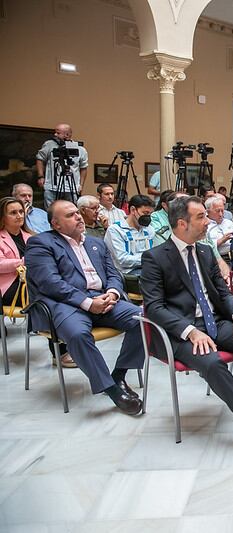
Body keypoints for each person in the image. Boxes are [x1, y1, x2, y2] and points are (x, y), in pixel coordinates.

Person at [140, 196, 233, 450]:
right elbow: (154, 308)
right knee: (211, 362)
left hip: (215, 322)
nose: (208, 221)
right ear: (181, 223)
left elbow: (222, 292)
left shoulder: (204, 251)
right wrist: (189, 332)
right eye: (200, 217)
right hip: (181, 333)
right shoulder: (155, 258)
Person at [25, 200, 145, 414]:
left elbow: (113, 274)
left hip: (103, 299)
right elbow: (50, 283)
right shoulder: (41, 244)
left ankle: (118, 375)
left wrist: (113, 292)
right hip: (67, 304)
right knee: (78, 335)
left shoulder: (95, 242)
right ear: (56, 224)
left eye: (77, 213)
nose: (79, 217)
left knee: (144, 319)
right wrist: (88, 303)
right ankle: (112, 390)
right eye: (71, 215)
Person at [0, 196, 73, 367]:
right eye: (13, 213)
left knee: (57, 296)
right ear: (3, 217)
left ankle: (63, 349)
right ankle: (59, 353)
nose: (19, 215)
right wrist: (24, 261)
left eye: (20, 211)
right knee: (49, 300)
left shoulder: (32, 236)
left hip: (34, 283)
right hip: (11, 288)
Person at [104, 194, 156, 293]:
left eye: (150, 214)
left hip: (147, 269)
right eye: (145, 213)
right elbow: (122, 260)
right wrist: (149, 259)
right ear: (133, 210)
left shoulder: (149, 230)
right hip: (127, 273)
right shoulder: (116, 230)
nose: (148, 217)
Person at [35, 123, 88, 207]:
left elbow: (83, 168)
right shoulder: (49, 145)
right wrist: (40, 176)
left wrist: (80, 185)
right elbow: (40, 159)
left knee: (71, 210)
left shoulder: (80, 149)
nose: (55, 134)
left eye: (58, 133)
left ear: (67, 135)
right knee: (51, 211)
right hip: (52, 186)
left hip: (71, 188)